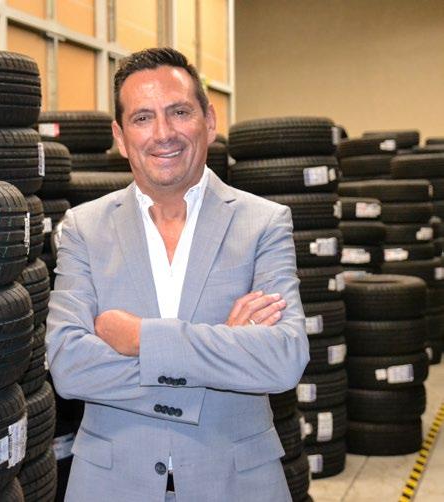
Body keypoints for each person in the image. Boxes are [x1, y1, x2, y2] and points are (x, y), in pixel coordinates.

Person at [46, 47, 309, 502]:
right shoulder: (83, 228)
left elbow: (283, 358)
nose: (163, 133)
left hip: (236, 483)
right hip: (111, 484)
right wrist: (225, 348)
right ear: (120, 136)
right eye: (142, 118)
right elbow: (69, 366)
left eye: (179, 112)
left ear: (209, 120)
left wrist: (139, 338)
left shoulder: (264, 222)